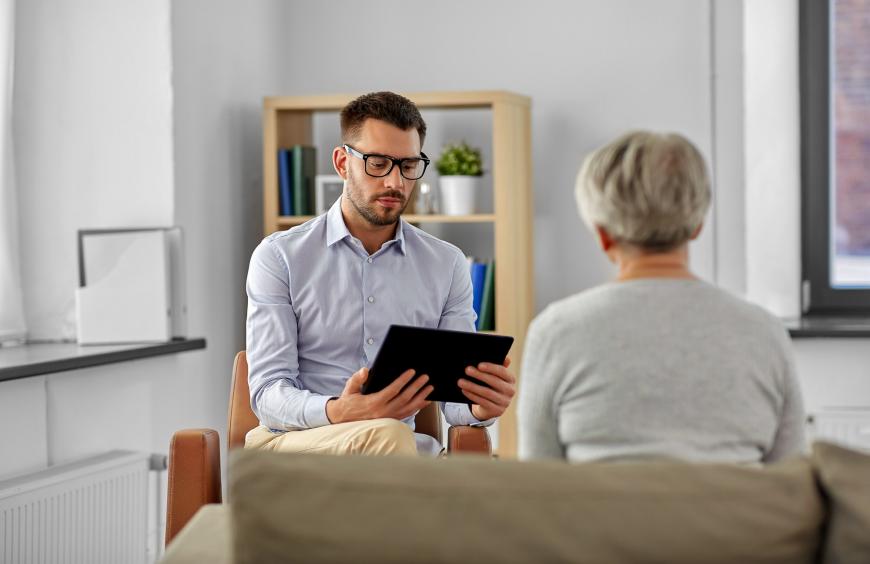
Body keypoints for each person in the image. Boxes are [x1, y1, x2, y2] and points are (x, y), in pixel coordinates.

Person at [244, 91, 516, 457]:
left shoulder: (446, 264)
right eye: (377, 163)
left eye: (407, 165)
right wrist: (339, 411)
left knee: (394, 441)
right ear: (342, 163)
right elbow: (267, 395)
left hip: (394, 450)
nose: (395, 182)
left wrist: (479, 406)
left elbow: (453, 399)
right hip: (296, 445)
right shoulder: (279, 257)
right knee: (391, 440)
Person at [518, 130, 806, 464]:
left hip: (604, 518)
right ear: (697, 224)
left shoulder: (555, 332)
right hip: (736, 517)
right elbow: (791, 479)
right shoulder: (764, 331)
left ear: (603, 235)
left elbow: (538, 488)